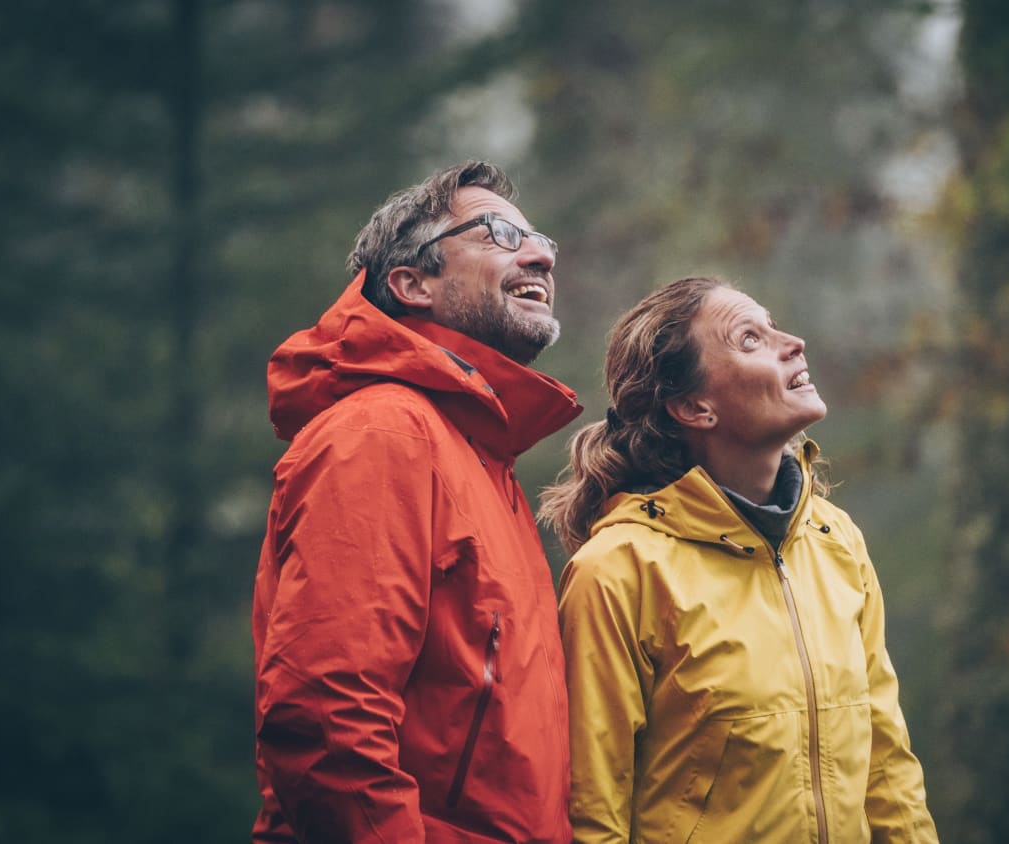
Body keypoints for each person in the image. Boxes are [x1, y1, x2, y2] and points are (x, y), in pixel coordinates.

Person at [541, 276, 938, 843]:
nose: (793, 342)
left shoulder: (837, 540)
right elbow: (594, 813)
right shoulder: (618, 569)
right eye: (750, 339)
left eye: (773, 326)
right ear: (694, 406)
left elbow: (888, 763)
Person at [251, 161, 581, 843]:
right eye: (496, 233)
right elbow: (326, 717)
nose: (542, 254)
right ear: (412, 283)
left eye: (540, 238)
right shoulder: (381, 434)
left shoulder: (483, 461)